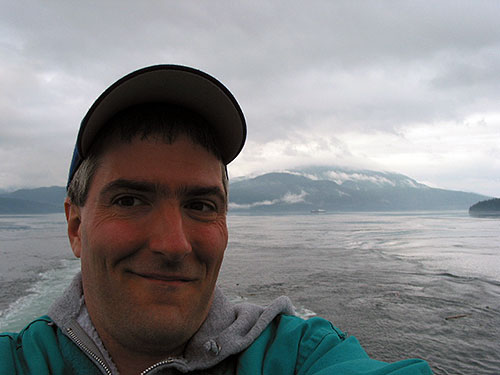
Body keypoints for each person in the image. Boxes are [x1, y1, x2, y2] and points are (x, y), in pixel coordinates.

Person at [0, 65, 432, 374]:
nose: (174, 244)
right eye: (130, 200)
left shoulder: (300, 354)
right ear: (76, 227)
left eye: (201, 206)